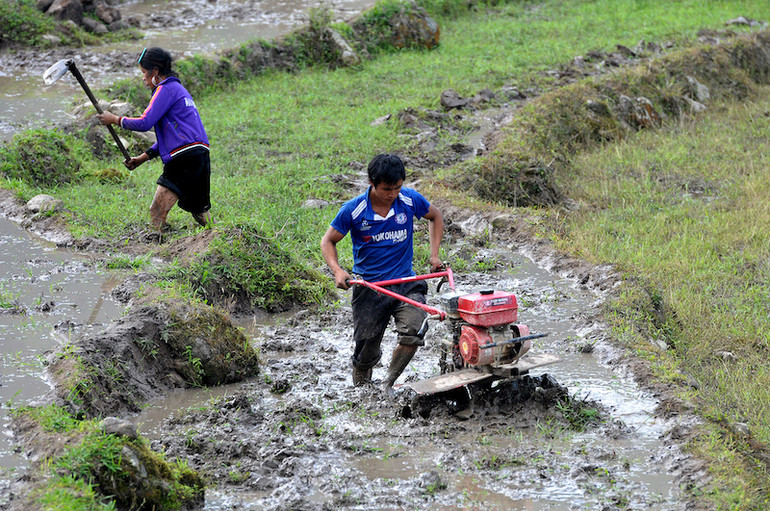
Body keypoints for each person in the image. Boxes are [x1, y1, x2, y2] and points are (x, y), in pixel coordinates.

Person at [321, 153, 444, 394]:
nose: (392, 194)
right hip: (370, 288)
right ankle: (362, 390)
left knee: (414, 331)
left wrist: (434, 255)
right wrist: (337, 271)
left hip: (406, 283)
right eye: (387, 189)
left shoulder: (409, 199)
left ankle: (388, 384)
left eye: (397, 187)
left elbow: (435, 216)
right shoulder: (354, 210)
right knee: (366, 351)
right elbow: (328, 241)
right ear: (372, 183)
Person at [97, 47, 212, 231]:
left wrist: (115, 119)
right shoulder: (180, 90)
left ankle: (158, 244)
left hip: (183, 159)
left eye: (144, 72)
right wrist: (142, 158)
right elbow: (175, 138)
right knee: (200, 212)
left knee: (156, 211)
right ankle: (222, 236)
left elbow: (145, 122)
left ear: (155, 71)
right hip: (200, 156)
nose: (143, 77)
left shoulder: (164, 90)